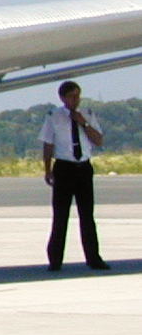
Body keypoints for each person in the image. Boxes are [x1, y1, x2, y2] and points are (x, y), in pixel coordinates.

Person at [39, 80, 109, 271]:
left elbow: (98, 140)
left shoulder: (87, 114)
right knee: (60, 215)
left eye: (77, 96)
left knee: (87, 215)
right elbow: (48, 144)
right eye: (71, 96)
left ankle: (93, 257)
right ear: (63, 98)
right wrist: (48, 169)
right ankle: (55, 259)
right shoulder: (54, 116)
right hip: (64, 168)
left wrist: (83, 123)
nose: (75, 100)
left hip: (83, 167)